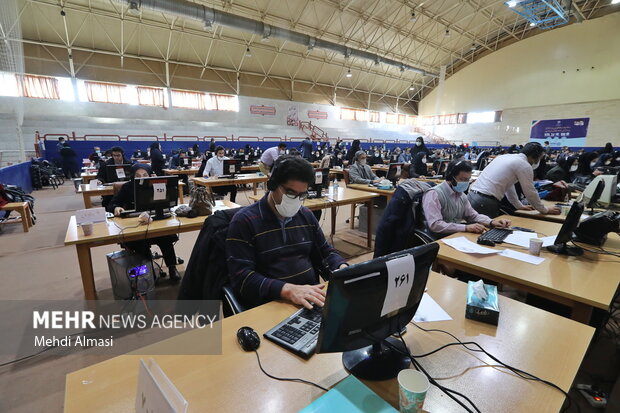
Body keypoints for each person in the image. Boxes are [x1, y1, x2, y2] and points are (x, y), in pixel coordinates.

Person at [226, 155, 348, 308]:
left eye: (302, 195)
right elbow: (241, 277)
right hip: (270, 303)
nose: (295, 200)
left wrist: (342, 268)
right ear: (272, 185)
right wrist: (287, 290)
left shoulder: (305, 215)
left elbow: (326, 251)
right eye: (290, 193)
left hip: (310, 299)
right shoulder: (244, 221)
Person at [106, 163, 181, 281]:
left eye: (145, 175)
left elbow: (168, 199)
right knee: (141, 244)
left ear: (150, 175)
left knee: (166, 238)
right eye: (138, 175)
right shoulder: (127, 187)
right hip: (136, 225)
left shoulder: (156, 185)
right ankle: (149, 272)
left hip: (156, 222)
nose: (141, 177)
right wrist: (116, 207)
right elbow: (111, 204)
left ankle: (172, 268)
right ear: (132, 176)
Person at [467, 142, 561, 218]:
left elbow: (508, 186)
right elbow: (530, 192)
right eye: (540, 158)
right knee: (483, 232)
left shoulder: (505, 157)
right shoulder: (524, 165)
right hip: (485, 201)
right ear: (535, 157)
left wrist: (518, 206)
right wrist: (545, 210)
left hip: (472, 196)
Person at [423, 160, 510, 238]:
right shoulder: (434, 194)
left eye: (468, 180)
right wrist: (465, 227)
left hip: (456, 235)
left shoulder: (461, 195)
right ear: (450, 177)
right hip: (439, 238)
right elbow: (435, 225)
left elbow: (473, 216)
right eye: (462, 179)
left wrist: (492, 222)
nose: (465, 183)